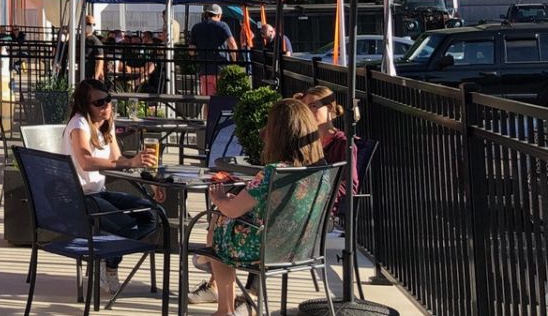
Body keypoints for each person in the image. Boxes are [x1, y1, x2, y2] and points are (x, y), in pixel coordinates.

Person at [188, 98, 326, 316]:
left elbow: (233, 210)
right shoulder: (320, 170)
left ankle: (225, 308)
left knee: (219, 227)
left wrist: (219, 199)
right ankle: (211, 267)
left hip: (265, 249)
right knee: (222, 226)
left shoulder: (272, 172)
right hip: (300, 246)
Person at [62, 78, 162, 294]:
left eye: (108, 100)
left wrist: (151, 183)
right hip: (79, 198)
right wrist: (129, 161)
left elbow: (118, 160)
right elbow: (86, 162)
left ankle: (106, 260)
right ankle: (107, 262)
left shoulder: (106, 124)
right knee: (125, 226)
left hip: (99, 192)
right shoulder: (79, 124)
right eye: (99, 103)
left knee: (152, 214)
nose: (106, 106)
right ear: (84, 105)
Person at [297, 85, 359, 214]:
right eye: (305, 107)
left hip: (321, 209)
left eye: (313, 106)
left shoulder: (343, 144)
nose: (307, 112)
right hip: (299, 203)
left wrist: (316, 194)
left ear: (329, 108)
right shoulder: (305, 141)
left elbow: (350, 186)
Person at [190, 4, 238, 96]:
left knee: (206, 99)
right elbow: (232, 45)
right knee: (221, 99)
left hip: (204, 69)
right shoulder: (222, 25)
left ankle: (206, 111)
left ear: (206, 14)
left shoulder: (196, 27)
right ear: (219, 15)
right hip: (220, 68)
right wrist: (234, 62)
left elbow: (191, 51)